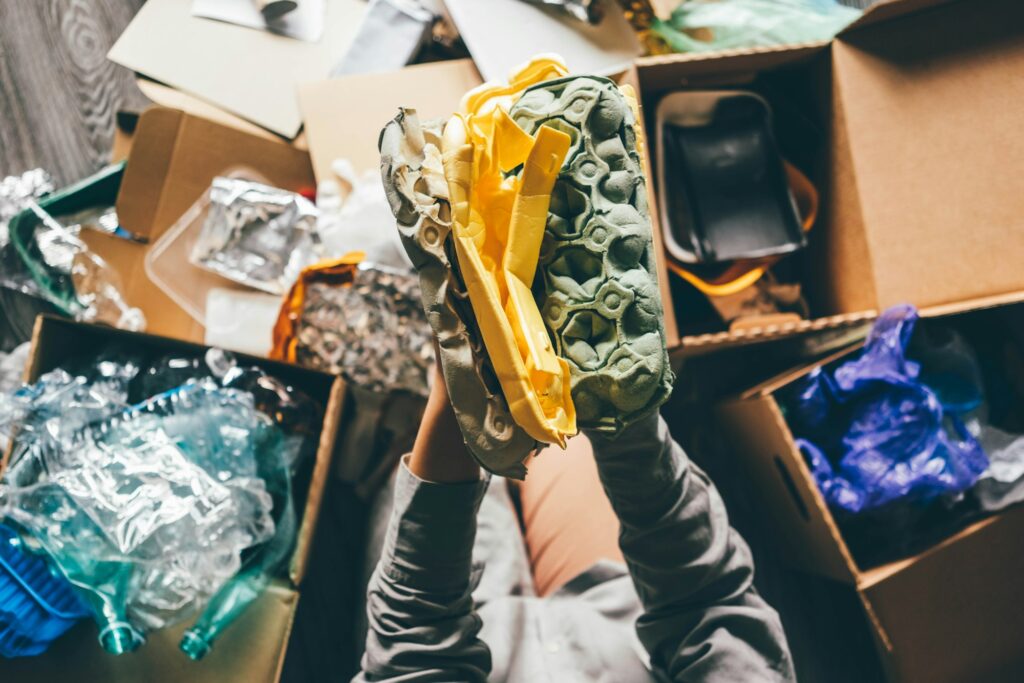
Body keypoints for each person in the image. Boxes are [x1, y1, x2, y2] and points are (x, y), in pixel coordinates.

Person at [354, 359, 796, 682]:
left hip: (469, 640)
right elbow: (708, 605)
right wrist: (627, 423)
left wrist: (455, 401)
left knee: (411, 469)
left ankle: (412, 422)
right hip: (614, 625)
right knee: (564, 422)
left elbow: (414, 646)